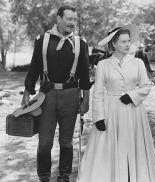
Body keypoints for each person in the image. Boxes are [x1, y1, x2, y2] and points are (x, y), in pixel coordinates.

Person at [77, 24, 155, 182]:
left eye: (128, 41)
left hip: (133, 111)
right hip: (111, 111)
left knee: (134, 146)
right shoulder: (104, 65)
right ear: (113, 44)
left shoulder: (137, 63)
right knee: (109, 147)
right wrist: (99, 117)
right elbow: (98, 93)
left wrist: (132, 95)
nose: (127, 44)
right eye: (123, 42)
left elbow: (146, 86)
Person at [21, 5, 90, 182]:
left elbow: (84, 74)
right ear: (59, 19)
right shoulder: (42, 40)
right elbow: (34, 67)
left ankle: (64, 176)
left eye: (75, 20)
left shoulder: (80, 43)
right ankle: (44, 176)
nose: (72, 23)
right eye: (69, 19)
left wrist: (86, 100)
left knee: (66, 142)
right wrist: (27, 92)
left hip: (71, 96)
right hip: (47, 96)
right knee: (44, 143)